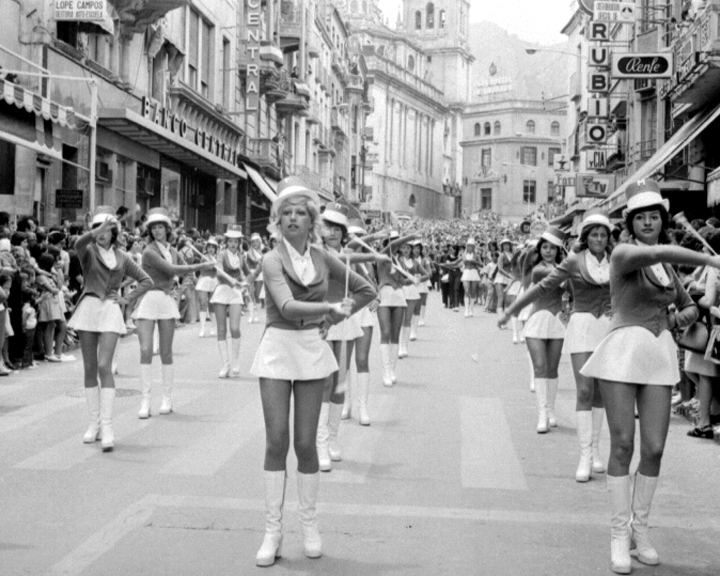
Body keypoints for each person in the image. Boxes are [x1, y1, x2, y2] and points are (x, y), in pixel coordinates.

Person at [580, 180, 720, 574]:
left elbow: (691, 306)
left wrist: (675, 319)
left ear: (661, 221)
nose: (647, 223)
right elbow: (658, 251)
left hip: (657, 354)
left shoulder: (665, 268)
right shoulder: (624, 254)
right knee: (623, 443)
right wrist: (712, 262)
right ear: (630, 223)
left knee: (655, 447)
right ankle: (618, 534)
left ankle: (641, 530)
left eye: (653, 217)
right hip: (622, 352)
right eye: (639, 217)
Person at [249, 178, 375, 566]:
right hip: (277, 349)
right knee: (276, 441)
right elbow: (285, 307)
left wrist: (338, 317)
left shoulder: (323, 257)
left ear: (311, 220)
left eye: (299, 213)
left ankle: (308, 525)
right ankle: (273, 532)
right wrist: (328, 311)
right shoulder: (271, 259)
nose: (291, 219)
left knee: (305, 444)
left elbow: (366, 289)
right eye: (285, 213)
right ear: (276, 221)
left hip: (311, 352)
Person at [500, 210, 613, 481]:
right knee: (584, 390)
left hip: (607, 328)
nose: (598, 238)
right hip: (582, 327)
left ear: (609, 238)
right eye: (593, 234)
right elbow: (541, 288)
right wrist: (511, 310)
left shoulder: (617, 260)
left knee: (601, 393)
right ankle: (585, 454)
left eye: (603, 234)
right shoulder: (574, 261)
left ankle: (596, 450)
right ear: (585, 237)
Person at [67, 207, 152, 451]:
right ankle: (94, 424)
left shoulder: (123, 256)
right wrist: (97, 230)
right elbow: (78, 243)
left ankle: (108, 425)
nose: (102, 233)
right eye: (97, 228)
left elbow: (147, 280)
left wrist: (127, 299)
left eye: (106, 229)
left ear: (114, 232)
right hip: (88, 309)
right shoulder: (88, 251)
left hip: (110, 312)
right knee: (89, 367)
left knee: (105, 366)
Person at [135, 208, 214, 419]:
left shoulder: (173, 250)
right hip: (149, 300)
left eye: (161, 227)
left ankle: (167, 398)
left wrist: (179, 291)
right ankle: (145, 401)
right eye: (154, 228)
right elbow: (171, 270)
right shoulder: (148, 251)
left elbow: (186, 272)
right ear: (150, 231)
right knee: (145, 350)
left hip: (166, 301)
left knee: (166, 352)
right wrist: (202, 264)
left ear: (167, 229)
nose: (157, 231)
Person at [499, 227, 566, 434]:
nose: (547, 252)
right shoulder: (539, 270)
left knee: (553, 369)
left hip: (555, 321)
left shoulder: (565, 267)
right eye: (544, 248)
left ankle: (552, 410)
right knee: (540, 366)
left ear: (557, 251)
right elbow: (556, 276)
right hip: (537, 319)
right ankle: (542, 414)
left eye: (552, 248)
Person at [210, 224, 253, 377]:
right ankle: (225, 364)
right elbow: (220, 273)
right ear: (227, 241)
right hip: (222, 290)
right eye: (230, 241)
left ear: (239, 242)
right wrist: (231, 281)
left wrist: (245, 282)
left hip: (235, 293)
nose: (233, 244)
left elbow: (247, 273)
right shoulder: (221, 254)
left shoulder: (241, 257)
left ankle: (235, 361)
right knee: (222, 330)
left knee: (234, 328)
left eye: (236, 241)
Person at [195, 237, 219, 338]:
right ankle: (202, 329)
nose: (210, 249)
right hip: (204, 280)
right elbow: (205, 267)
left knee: (212, 304)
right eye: (209, 247)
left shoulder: (218, 258)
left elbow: (218, 269)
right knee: (203, 303)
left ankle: (213, 328)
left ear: (215, 249)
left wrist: (216, 263)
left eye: (212, 247)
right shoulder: (203, 257)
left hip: (214, 281)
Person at [459, 238, 482, 318]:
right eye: (468, 246)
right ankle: (466, 309)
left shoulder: (477, 255)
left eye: (471, 246)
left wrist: (475, 262)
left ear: (473, 247)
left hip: (474, 272)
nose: (469, 248)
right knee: (466, 290)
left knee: (473, 291)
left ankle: (471, 309)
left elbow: (481, 265)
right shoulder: (463, 255)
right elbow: (458, 262)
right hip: (466, 272)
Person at [246, 232, 266, 323]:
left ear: (260, 242)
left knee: (257, 295)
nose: (254, 244)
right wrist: (261, 259)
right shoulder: (250, 252)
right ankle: (251, 315)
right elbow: (253, 259)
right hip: (251, 273)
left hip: (259, 274)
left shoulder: (263, 251)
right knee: (251, 294)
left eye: (256, 242)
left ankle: (257, 315)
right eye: (253, 242)